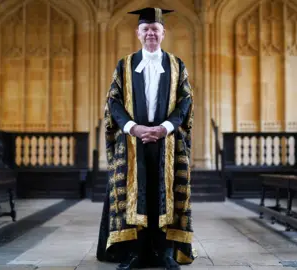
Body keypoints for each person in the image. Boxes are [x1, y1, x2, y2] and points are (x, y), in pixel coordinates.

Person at [96, 7, 196, 270]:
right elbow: (113, 102)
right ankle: (133, 253)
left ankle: (165, 253)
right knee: (132, 197)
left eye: (155, 29)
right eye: (146, 29)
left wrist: (164, 127)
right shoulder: (125, 64)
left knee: (165, 197)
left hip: (168, 143)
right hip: (132, 143)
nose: (151, 33)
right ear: (138, 33)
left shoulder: (176, 65)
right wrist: (133, 127)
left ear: (163, 33)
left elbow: (186, 101)